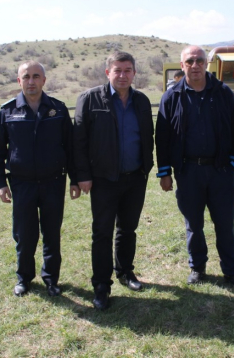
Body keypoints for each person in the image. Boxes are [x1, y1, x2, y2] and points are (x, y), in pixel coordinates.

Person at [155, 45, 234, 291]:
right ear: (182, 64)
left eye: (199, 60)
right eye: (190, 61)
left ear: (206, 63)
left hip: (220, 171)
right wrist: (164, 172)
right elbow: (162, 138)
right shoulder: (172, 96)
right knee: (193, 224)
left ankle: (232, 272)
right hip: (188, 172)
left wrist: (232, 161)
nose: (195, 65)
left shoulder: (223, 93)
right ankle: (197, 267)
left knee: (225, 224)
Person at [0, 60, 80, 297]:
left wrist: (75, 179)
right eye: (26, 77)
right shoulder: (8, 110)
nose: (31, 81)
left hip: (53, 182)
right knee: (25, 235)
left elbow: (70, 147)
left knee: (51, 233)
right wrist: (0, 183)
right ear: (19, 81)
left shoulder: (58, 110)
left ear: (44, 80)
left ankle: (51, 280)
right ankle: (24, 278)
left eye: (36, 76)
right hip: (22, 184)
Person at [73, 51, 154, 310]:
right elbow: (79, 142)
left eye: (127, 70)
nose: (122, 75)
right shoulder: (89, 99)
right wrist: (82, 176)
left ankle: (125, 272)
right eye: (117, 70)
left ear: (134, 73)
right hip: (103, 179)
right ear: (107, 72)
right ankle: (101, 285)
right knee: (102, 233)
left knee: (128, 229)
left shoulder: (141, 101)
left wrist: (147, 168)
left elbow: (147, 137)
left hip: (134, 178)